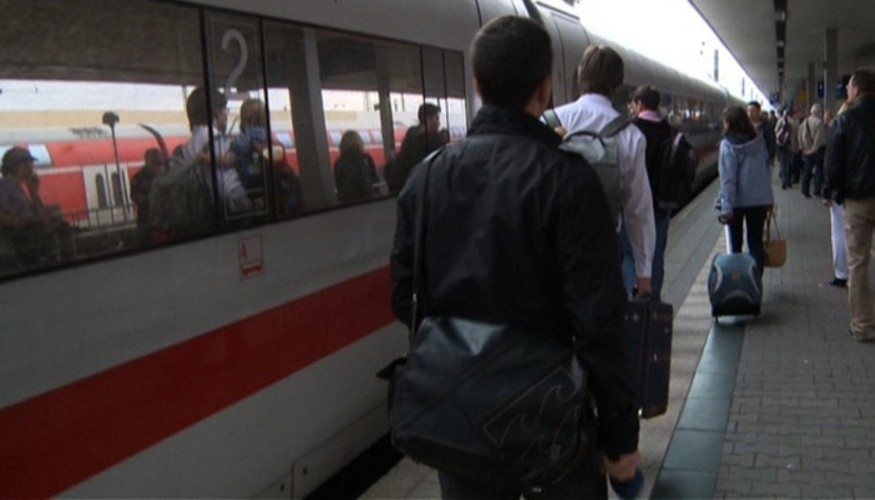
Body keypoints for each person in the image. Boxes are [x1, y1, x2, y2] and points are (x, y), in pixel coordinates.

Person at [391, 16, 639, 499]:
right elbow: (599, 324)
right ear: (544, 91)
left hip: (460, 422)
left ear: (478, 86)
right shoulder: (570, 181)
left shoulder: (426, 177)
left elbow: (405, 298)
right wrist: (620, 436)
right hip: (551, 426)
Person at [554, 45, 655, 298]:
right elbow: (639, 210)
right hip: (603, 254)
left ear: (580, 76)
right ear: (617, 85)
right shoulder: (631, 135)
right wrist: (644, 273)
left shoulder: (549, 121)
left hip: (553, 253)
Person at [824, 67, 875, 342]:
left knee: (858, 264)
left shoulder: (844, 121)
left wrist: (836, 192)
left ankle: (862, 325)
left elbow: (833, 164)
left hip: (857, 201)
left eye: (848, 88)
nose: (847, 92)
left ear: (856, 89)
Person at [716, 105, 775, 274]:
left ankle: (739, 282)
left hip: (736, 203)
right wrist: (768, 198)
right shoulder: (759, 141)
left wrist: (726, 207)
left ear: (729, 123)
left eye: (725, 121)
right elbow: (765, 171)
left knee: (735, 245)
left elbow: (728, 179)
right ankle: (755, 282)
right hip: (759, 201)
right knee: (756, 243)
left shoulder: (727, 145)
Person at [628, 85, 672, 301]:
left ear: (639, 105)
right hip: (662, 204)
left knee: (632, 255)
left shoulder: (632, 130)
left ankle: (634, 301)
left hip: (635, 204)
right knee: (656, 255)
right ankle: (654, 302)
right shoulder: (668, 130)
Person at [180, 86, 252, 216]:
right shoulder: (212, 135)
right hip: (232, 198)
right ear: (217, 113)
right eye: (225, 110)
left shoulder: (189, 144)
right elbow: (228, 161)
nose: (226, 115)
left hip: (209, 205)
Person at [0, 147, 73, 268]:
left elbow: (40, 214)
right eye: (30, 164)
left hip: (31, 234)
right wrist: (30, 221)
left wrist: (33, 192)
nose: (32, 168)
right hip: (22, 238)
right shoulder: (4, 187)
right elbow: (3, 218)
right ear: (21, 166)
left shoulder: (18, 188)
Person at [822, 101, 853, 289]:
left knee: (839, 233)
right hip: (864, 192)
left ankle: (842, 274)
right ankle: (856, 275)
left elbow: (832, 164)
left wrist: (827, 191)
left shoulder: (839, 127)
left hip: (841, 192)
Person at [387, 103, 448, 195]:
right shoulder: (432, 140)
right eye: (436, 118)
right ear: (428, 119)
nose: (439, 123)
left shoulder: (411, 134)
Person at [130, 148, 165, 245]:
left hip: (163, 220)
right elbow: (135, 197)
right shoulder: (138, 178)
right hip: (147, 220)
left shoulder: (165, 175)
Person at [334, 130, 379, 204]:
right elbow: (375, 179)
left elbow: (338, 184)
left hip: (347, 201)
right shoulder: (366, 158)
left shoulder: (338, 163)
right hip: (367, 198)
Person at [799, 102, 827, 199]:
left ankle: (804, 192)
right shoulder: (819, 123)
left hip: (806, 150)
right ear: (819, 112)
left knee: (807, 171)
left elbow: (800, 136)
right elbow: (818, 139)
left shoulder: (804, 122)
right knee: (819, 170)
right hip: (818, 150)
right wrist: (813, 150)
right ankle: (816, 191)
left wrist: (802, 148)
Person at [775, 109, 794, 189]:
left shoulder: (781, 120)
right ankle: (789, 181)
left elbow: (776, 130)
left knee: (783, 163)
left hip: (782, 145)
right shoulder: (794, 122)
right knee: (790, 164)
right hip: (791, 146)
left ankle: (784, 181)